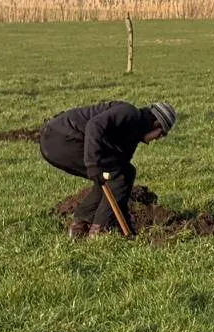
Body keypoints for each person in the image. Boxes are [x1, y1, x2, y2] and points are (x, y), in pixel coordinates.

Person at [37, 98, 177, 232]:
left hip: (60, 142)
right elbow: (94, 126)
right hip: (59, 138)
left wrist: (125, 217)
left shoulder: (131, 139)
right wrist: (93, 165)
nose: (158, 139)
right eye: (162, 134)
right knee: (117, 176)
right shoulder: (129, 113)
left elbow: (120, 180)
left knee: (123, 173)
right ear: (156, 124)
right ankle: (100, 230)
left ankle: (80, 225)